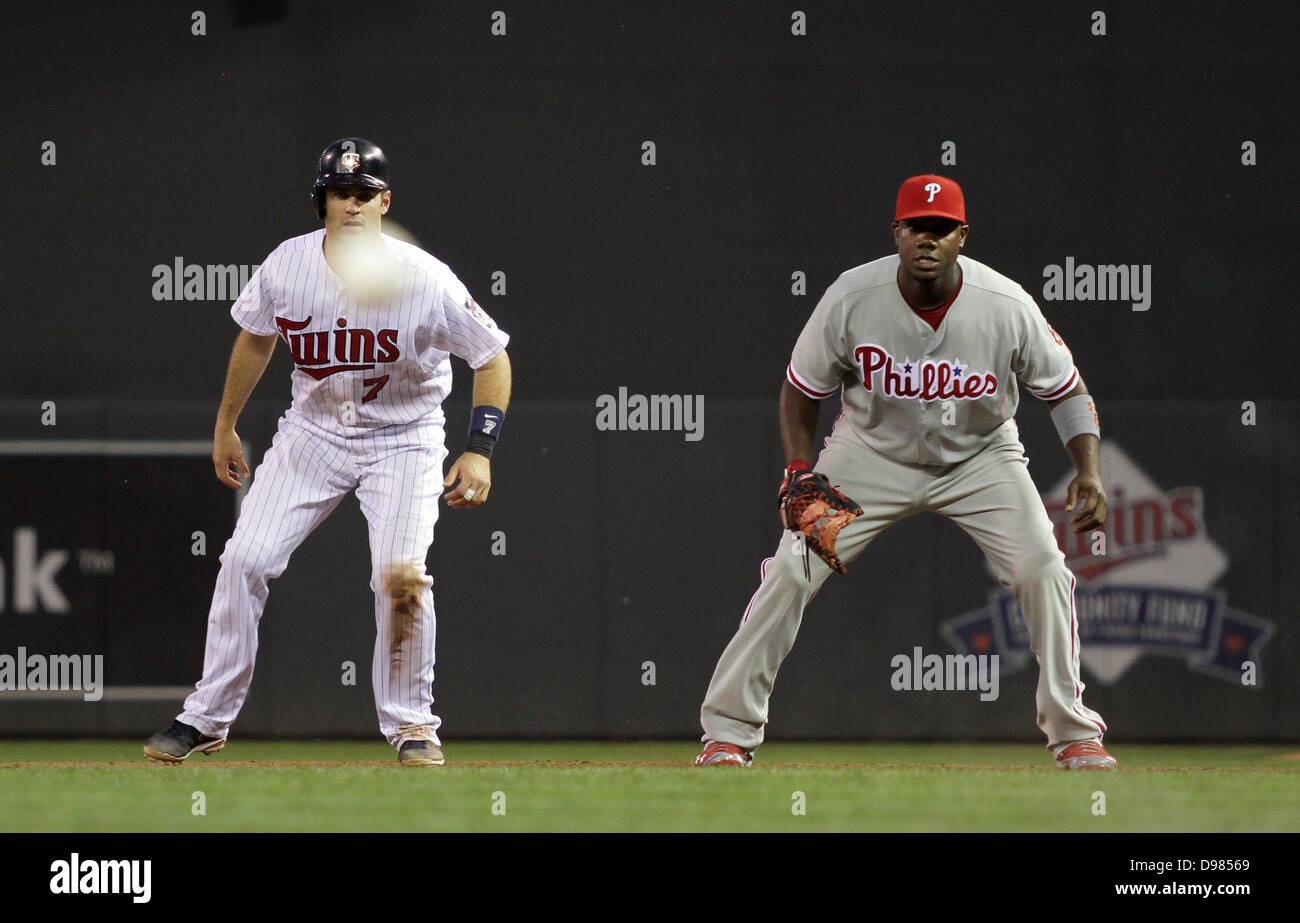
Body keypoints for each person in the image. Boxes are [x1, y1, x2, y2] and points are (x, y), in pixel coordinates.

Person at [695, 174, 1115, 770]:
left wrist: (1089, 470)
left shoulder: (1007, 304)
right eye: (917, 225)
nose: (928, 238)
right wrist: (797, 467)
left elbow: (1067, 391)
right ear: (897, 232)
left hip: (981, 458)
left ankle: (1074, 733)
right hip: (869, 454)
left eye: (941, 229)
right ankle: (728, 734)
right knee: (791, 569)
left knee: (1044, 569)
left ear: (961, 236)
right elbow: (801, 388)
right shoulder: (851, 297)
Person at [144, 138, 511, 767]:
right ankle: (205, 718)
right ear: (324, 202)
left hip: (404, 437)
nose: (353, 204)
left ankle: (412, 726)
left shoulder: (425, 277)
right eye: (341, 192)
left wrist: (479, 450)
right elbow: (256, 339)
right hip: (313, 433)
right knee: (245, 560)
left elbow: (492, 356)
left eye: (365, 193)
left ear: (384, 201)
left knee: (399, 576)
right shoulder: (288, 265)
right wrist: (226, 425)